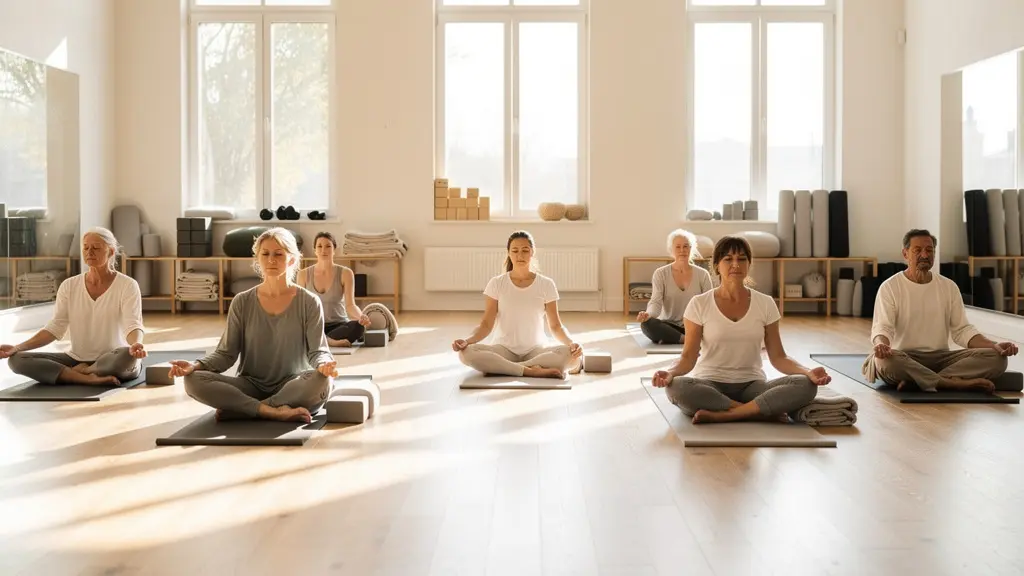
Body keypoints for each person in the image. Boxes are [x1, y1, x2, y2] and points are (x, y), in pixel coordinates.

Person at [651, 235, 827, 424]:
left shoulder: (765, 303)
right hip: (710, 385)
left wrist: (807, 371)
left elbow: (779, 357)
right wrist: (670, 373)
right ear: (716, 265)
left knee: (806, 385)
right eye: (728, 259)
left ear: (749, 264)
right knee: (676, 387)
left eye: (742, 259)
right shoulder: (699, 304)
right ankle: (757, 410)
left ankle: (728, 413)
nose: (736, 264)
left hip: (752, 387)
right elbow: (688, 357)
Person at [168, 228, 338, 423]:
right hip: (250, 385)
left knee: (322, 381)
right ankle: (271, 410)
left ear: (292, 259)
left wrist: (324, 365)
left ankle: (245, 408)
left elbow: (318, 351)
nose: (271, 260)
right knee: (193, 380)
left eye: (278, 254)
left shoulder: (309, 301)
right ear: (258, 258)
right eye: (265, 254)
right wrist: (195, 365)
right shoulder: (242, 301)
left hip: (293, 386)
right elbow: (226, 354)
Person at [862, 229, 1016, 393]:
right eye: (917, 250)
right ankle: (950, 383)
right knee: (884, 362)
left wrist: (995, 345)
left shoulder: (948, 286)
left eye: (929, 250)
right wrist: (881, 345)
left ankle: (921, 380)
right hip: (904, 357)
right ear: (905, 254)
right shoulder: (890, 287)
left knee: (997, 359)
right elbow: (883, 327)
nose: (924, 255)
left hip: (942, 358)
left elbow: (962, 331)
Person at [0, 228, 147, 386]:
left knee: (128, 358)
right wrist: (17, 347)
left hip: (112, 357)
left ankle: (83, 371)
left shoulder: (127, 285)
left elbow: (133, 324)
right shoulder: (69, 285)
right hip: (75, 359)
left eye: (96, 248)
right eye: (85, 247)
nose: (89, 252)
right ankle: (85, 377)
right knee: (17, 361)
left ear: (110, 251)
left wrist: (135, 345)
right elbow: (55, 327)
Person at [452, 230, 583, 379]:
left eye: (525, 250)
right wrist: (467, 341)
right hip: (503, 350)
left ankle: (504, 368)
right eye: (515, 250)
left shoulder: (546, 284)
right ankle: (530, 370)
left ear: (532, 252)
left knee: (572, 357)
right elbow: (486, 324)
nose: (520, 255)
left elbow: (556, 326)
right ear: (508, 253)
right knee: (466, 353)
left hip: (536, 350)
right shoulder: (497, 283)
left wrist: (572, 343)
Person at [637, 229, 713, 344]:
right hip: (669, 325)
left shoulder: (703, 274)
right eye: (678, 247)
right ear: (671, 250)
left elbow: (709, 304)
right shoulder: (660, 273)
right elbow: (655, 302)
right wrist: (648, 314)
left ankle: (679, 338)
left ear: (691, 248)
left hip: (695, 325)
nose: (682, 250)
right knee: (647, 325)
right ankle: (686, 340)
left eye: (686, 246)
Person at [296, 232, 371, 347]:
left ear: (334, 249)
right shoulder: (303, 274)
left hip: (339, 325)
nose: (323, 250)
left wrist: (361, 317)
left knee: (358, 327)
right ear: (315, 250)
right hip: (314, 325)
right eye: (319, 246)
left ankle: (323, 341)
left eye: (328, 246)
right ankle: (329, 341)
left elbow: (350, 305)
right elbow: (300, 307)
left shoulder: (346, 273)